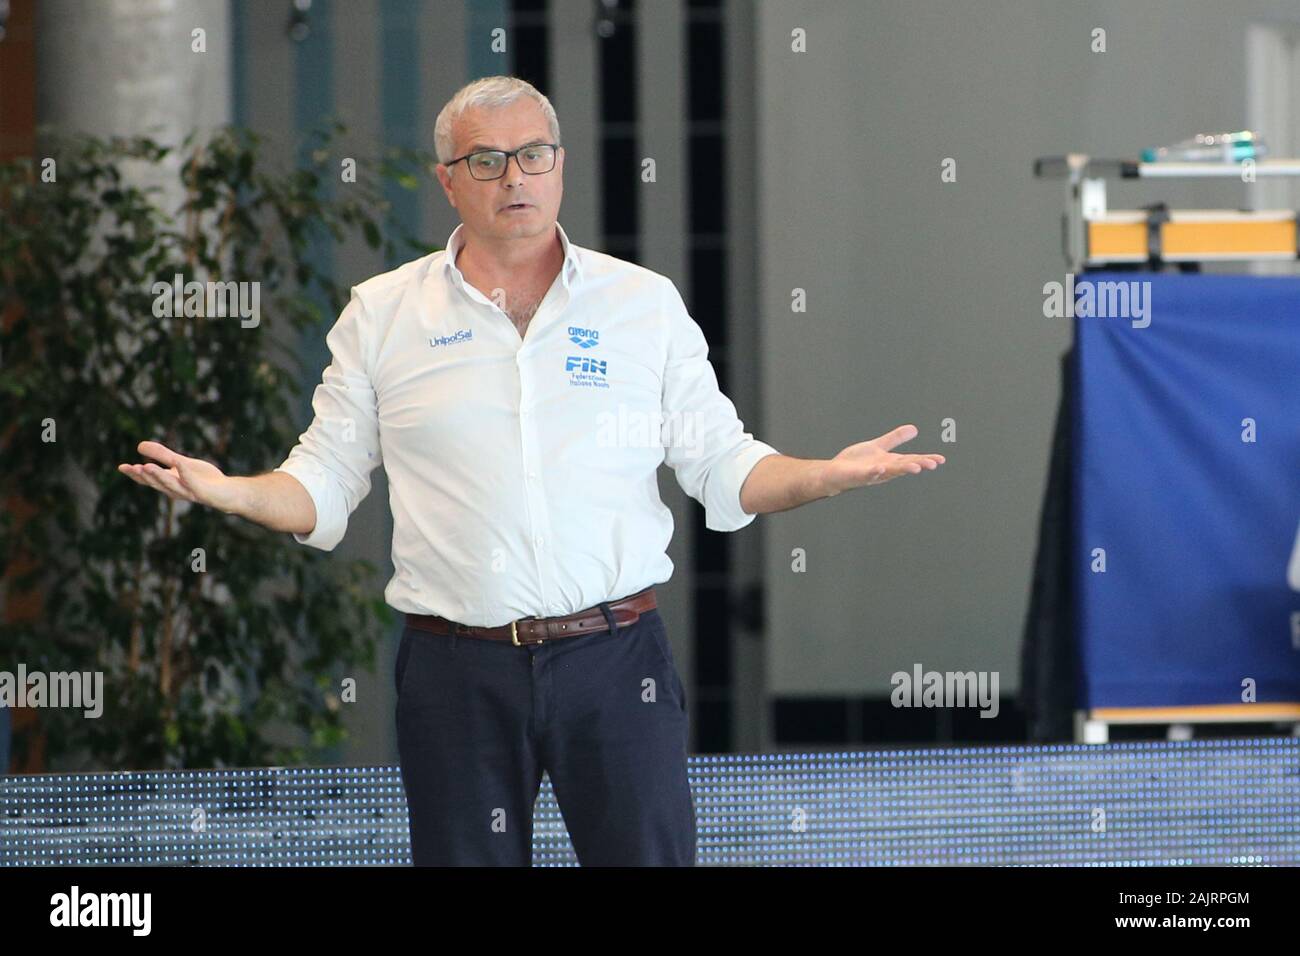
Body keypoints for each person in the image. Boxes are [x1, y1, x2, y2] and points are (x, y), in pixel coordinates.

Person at [118, 75, 945, 866]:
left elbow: (724, 466)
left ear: (560, 165)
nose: (514, 177)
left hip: (617, 662)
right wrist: (231, 493)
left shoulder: (640, 303)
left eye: (534, 154)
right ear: (449, 181)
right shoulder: (382, 313)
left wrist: (824, 476)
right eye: (486, 160)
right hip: (456, 670)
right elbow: (323, 481)